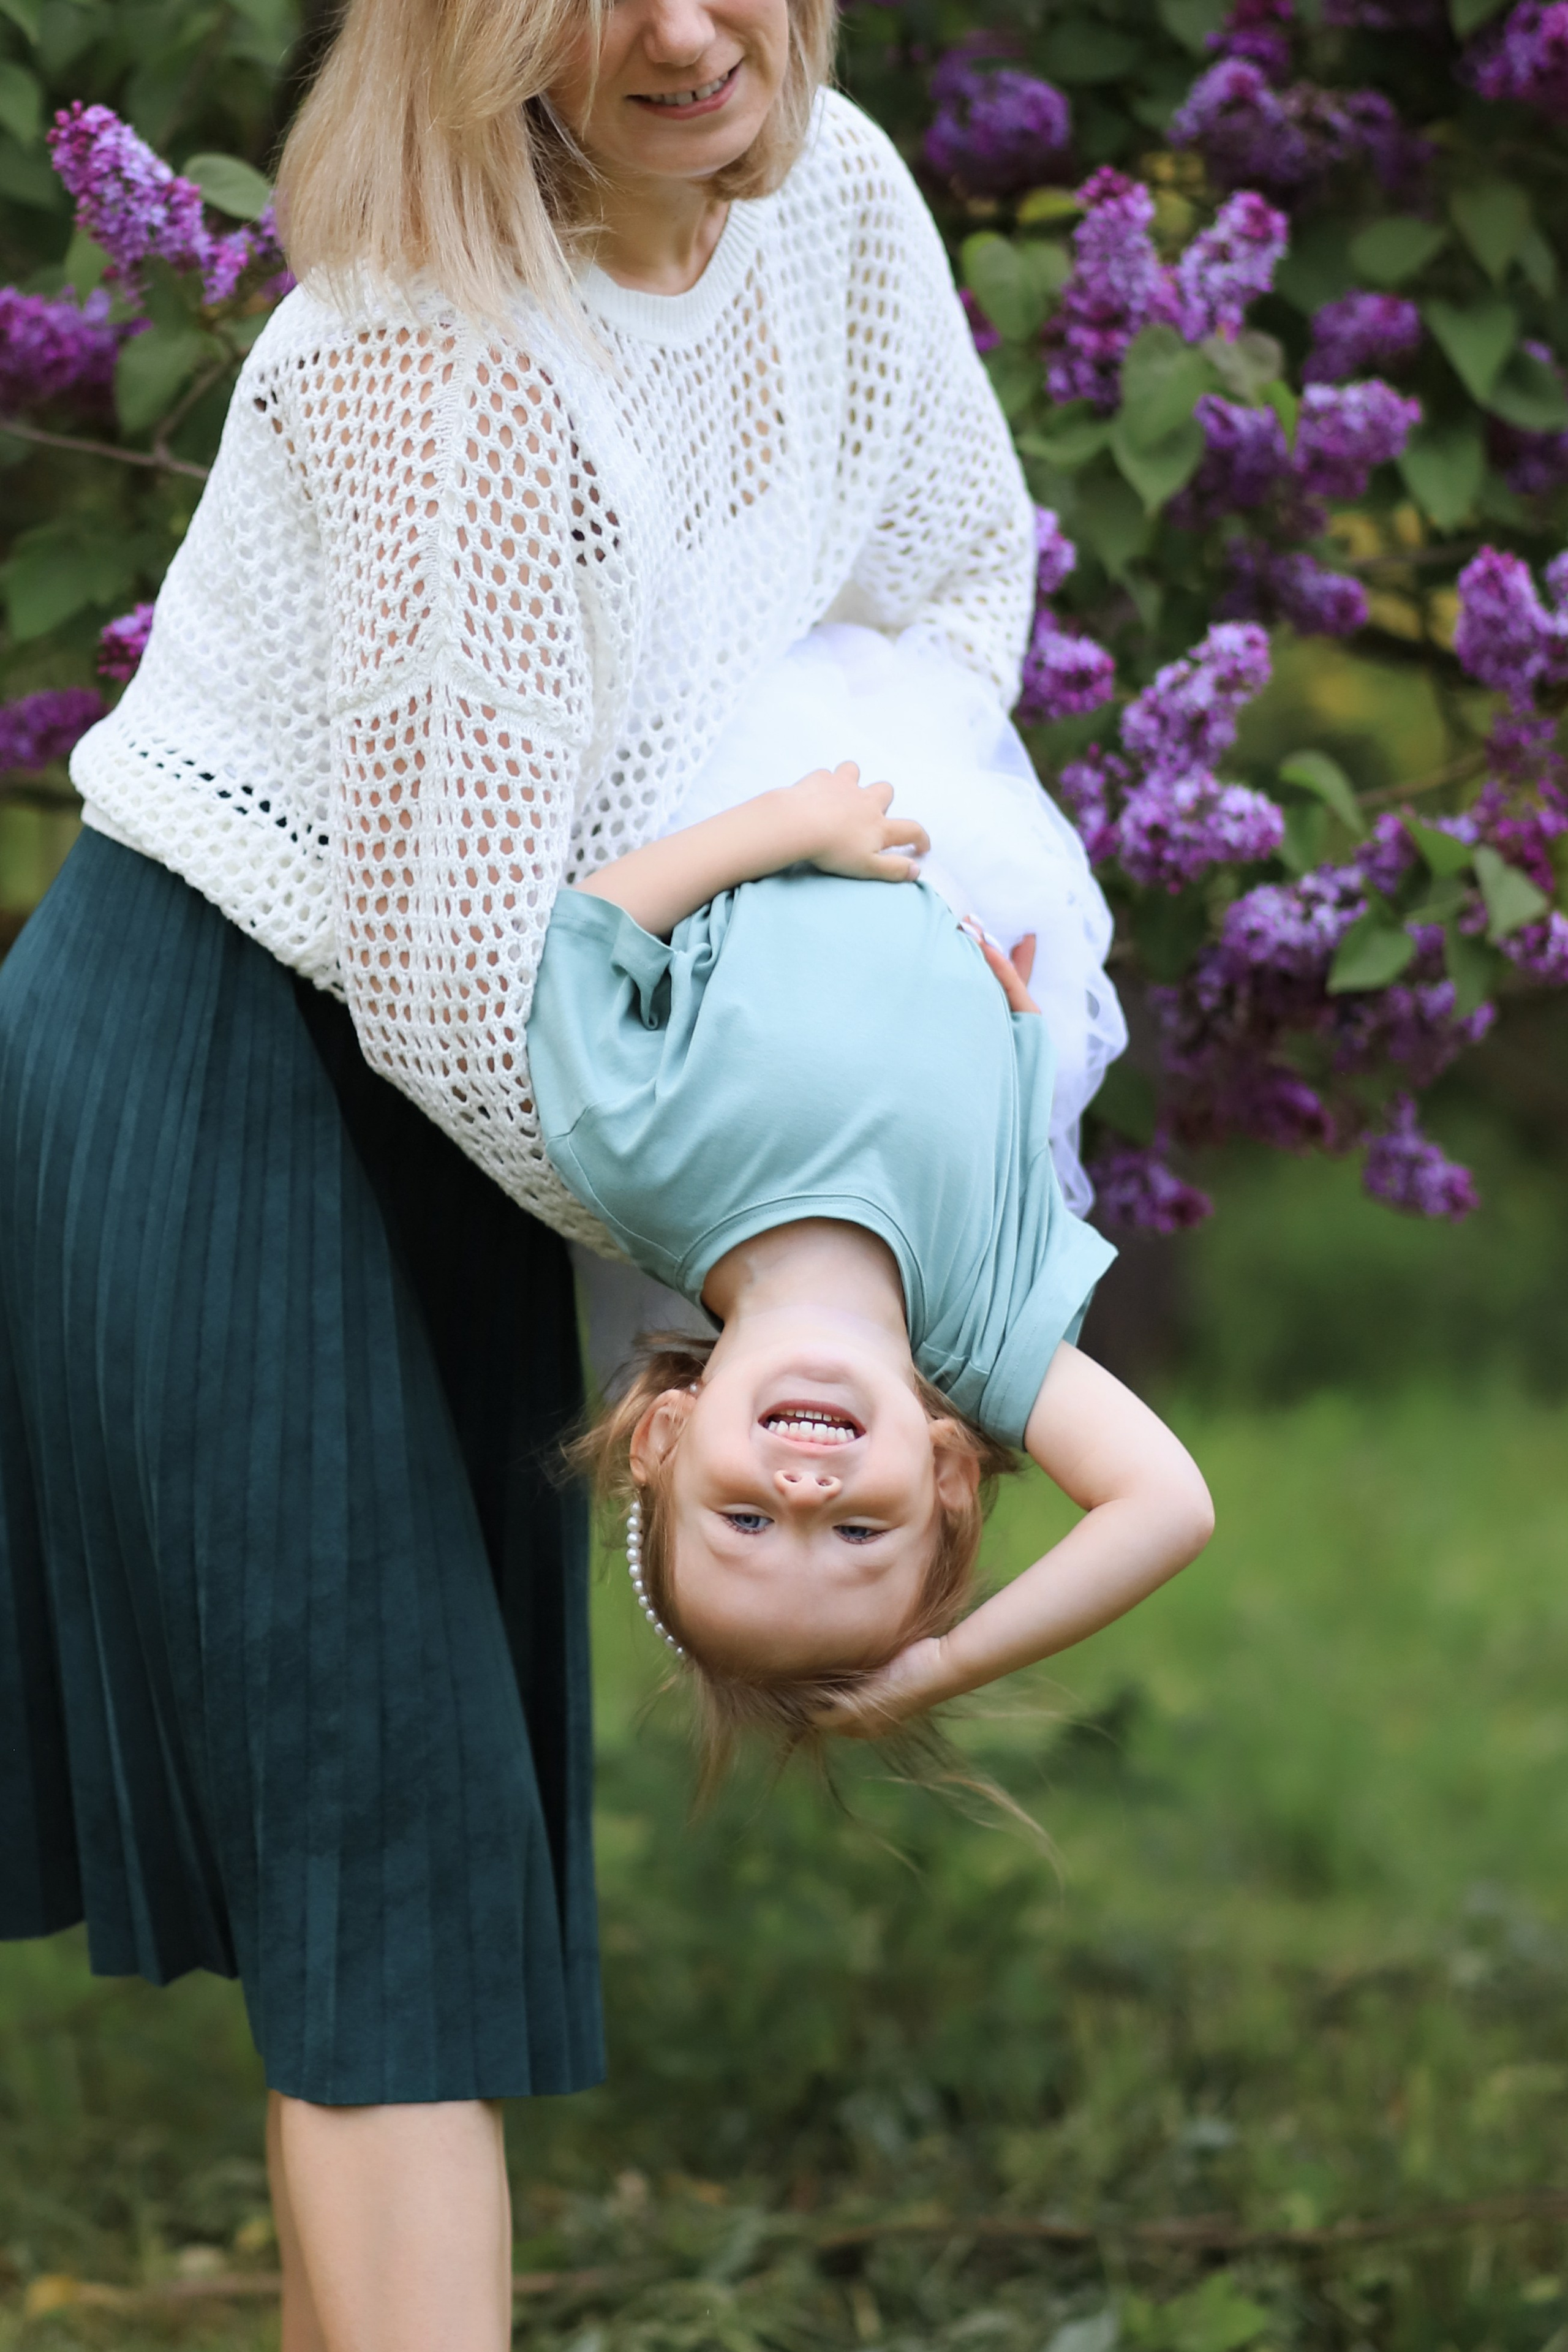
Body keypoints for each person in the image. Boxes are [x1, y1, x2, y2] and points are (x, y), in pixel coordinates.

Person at [0, 0, 1078, 2342]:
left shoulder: (843, 202)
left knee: (411, 1924)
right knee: (393, 1902)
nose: (690, 35)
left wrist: (850, 930)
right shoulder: (437, 359)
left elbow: (949, 590)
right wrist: (807, 1237)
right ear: (488, 39)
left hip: (573, 1084)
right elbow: (452, 980)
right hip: (243, 1062)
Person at [530, 763, 1213, 1758]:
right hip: (952, 794)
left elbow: (584, 944)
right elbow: (1170, 1507)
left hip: (753, 764)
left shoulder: (635, 1164)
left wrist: (784, 821)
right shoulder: (988, 1330)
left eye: (745, 1521)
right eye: (859, 1537)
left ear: (664, 1441)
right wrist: (939, 1669)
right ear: (942, 1476)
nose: (806, 1497)